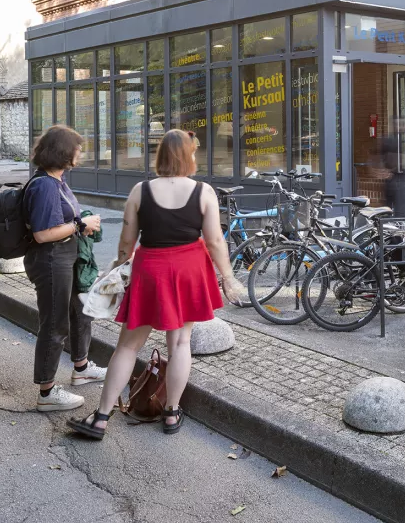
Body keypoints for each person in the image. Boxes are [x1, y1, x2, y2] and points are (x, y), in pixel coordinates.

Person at [68, 129, 243, 439]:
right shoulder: (203, 191)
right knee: (179, 344)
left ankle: (101, 418)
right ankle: (172, 413)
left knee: (127, 346)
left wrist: (120, 268)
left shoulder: (140, 191)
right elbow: (215, 240)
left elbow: (126, 241)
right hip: (189, 268)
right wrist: (228, 279)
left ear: (160, 155)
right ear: (190, 155)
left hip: (151, 268)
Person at [24, 125, 106, 412]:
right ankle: (46, 393)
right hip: (51, 261)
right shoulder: (45, 185)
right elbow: (42, 234)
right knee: (55, 323)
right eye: (77, 148)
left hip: (65, 258)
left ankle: (81, 368)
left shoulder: (57, 181)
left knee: (80, 312)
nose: (80, 153)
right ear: (63, 152)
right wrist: (80, 225)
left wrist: (81, 224)